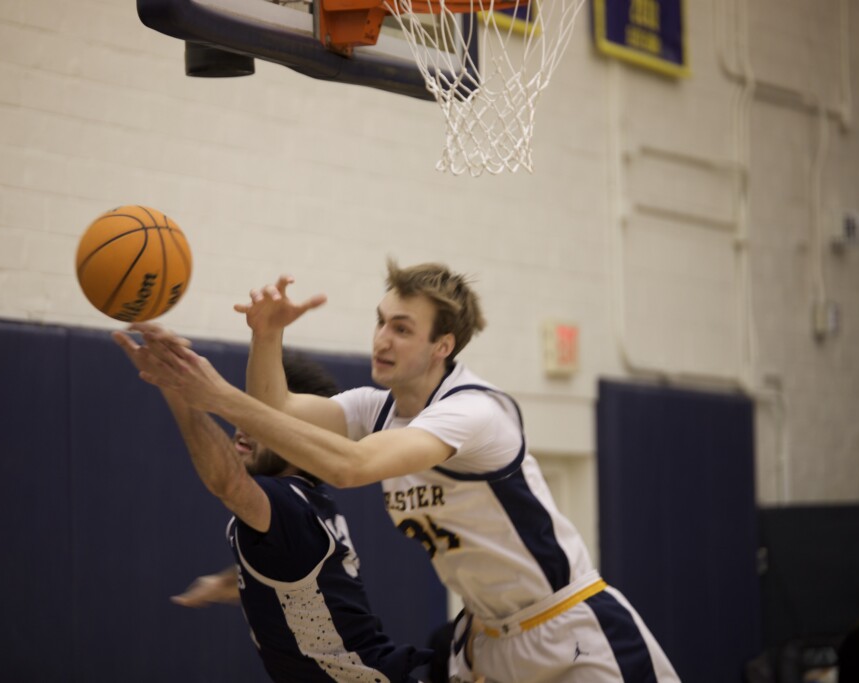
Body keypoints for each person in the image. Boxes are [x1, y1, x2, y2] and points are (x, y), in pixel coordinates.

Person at [116, 260, 680, 683]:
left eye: (403, 329)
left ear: (442, 346)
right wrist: (267, 336)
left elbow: (351, 466)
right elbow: (275, 414)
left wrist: (213, 394)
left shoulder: (474, 411)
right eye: (381, 322)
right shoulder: (376, 407)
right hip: (487, 641)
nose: (382, 338)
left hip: (568, 627)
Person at [111, 338, 430, 682]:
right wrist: (229, 582)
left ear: (296, 436)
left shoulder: (287, 504)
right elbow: (299, 577)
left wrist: (177, 391)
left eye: (262, 420)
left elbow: (228, 483)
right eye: (245, 410)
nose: (244, 427)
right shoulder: (309, 503)